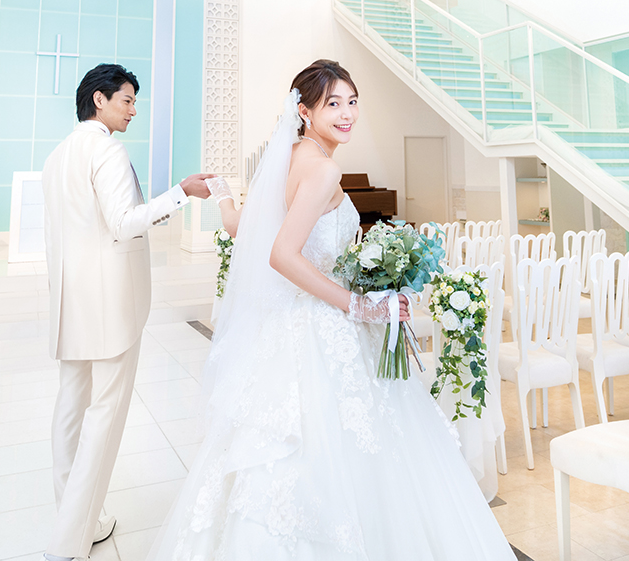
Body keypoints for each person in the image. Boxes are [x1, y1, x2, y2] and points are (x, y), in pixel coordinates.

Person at [147, 59, 517, 560]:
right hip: (324, 325)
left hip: (288, 327)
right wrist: (361, 305)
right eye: (333, 104)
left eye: (352, 101)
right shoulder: (323, 169)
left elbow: (244, 230)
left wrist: (225, 198)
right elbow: (282, 255)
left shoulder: (287, 159)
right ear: (304, 111)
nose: (347, 114)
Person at [41, 63, 214, 561]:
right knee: (104, 419)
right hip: (111, 304)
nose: (134, 110)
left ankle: (81, 521)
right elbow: (123, 224)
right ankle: (68, 543)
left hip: (70, 301)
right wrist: (182, 193)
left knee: (70, 413)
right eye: (127, 100)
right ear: (99, 99)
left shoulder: (58, 155)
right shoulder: (108, 151)